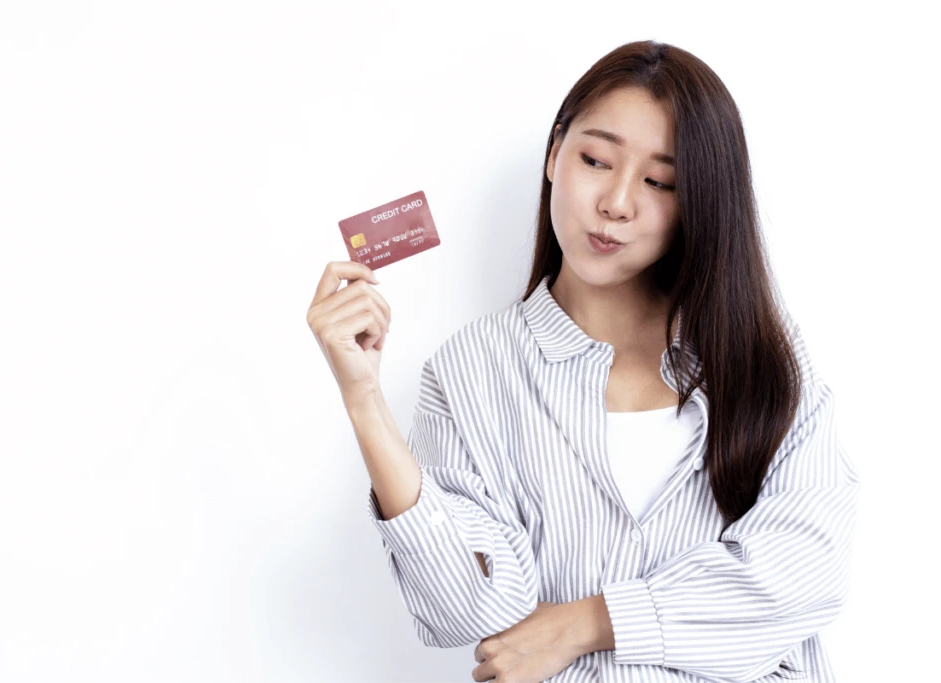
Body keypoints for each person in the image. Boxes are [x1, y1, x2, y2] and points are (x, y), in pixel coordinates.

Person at [306, 39, 859, 683]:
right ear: (553, 155)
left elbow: (802, 574)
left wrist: (589, 623)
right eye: (597, 159)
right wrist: (362, 398)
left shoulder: (760, 358)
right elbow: (474, 607)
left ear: (698, 204)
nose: (617, 202)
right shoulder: (472, 370)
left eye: (660, 181)